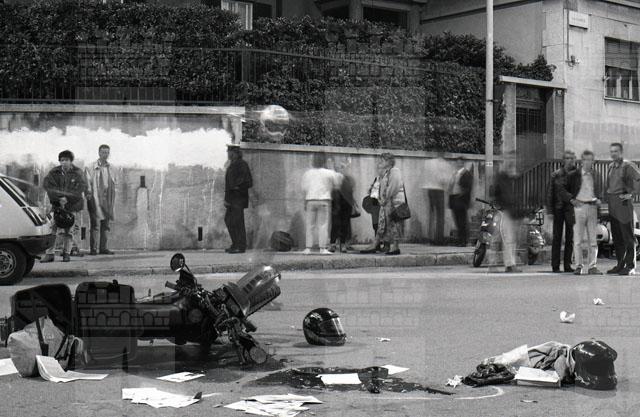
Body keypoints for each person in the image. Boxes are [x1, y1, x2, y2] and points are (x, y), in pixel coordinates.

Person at [41, 150, 87, 263]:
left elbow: (81, 188)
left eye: (66, 160)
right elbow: (47, 186)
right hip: (57, 206)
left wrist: (67, 199)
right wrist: (59, 199)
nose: (64, 162)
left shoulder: (78, 172)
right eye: (62, 160)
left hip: (73, 206)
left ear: (71, 161)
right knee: (52, 229)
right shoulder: (54, 172)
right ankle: (49, 254)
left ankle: (66, 254)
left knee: (69, 231)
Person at [605, 142, 640, 275]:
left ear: (621, 152)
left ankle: (631, 266)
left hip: (623, 203)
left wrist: (632, 194)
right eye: (611, 151)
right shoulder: (610, 166)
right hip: (612, 203)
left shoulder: (628, 166)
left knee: (627, 236)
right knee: (617, 236)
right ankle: (621, 264)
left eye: (616, 151)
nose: (613, 153)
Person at [361, 153, 405, 255]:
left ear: (389, 162)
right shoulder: (385, 173)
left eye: (382, 160)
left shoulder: (394, 171)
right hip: (386, 203)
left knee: (393, 225)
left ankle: (394, 247)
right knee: (383, 225)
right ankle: (377, 244)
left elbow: (393, 187)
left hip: (394, 204)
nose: (379, 162)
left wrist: (384, 199)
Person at [568, 150, 603, 275]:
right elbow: (565, 189)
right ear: (581, 161)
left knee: (593, 240)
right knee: (577, 240)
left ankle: (592, 266)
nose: (587, 162)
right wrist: (571, 200)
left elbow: (601, 189)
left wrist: (600, 199)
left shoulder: (597, 175)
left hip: (592, 207)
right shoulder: (574, 175)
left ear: (593, 161)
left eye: (590, 160)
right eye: (585, 159)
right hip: (579, 207)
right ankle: (578, 266)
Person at [301, 153, 340, 255]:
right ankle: (322, 248)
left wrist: (304, 201)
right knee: (323, 225)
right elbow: (337, 184)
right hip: (324, 200)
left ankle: (308, 248)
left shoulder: (307, 173)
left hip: (310, 199)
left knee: (310, 225)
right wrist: (332, 168)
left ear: (313, 161)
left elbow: (304, 189)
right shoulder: (329, 173)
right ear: (324, 161)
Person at [546, 150, 577, 273]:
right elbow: (550, 193)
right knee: (557, 237)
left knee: (570, 237)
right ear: (564, 160)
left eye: (572, 158)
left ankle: (568, 264)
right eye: (567, 158)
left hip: (571, 208)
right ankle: (555, 265)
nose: (570, 160)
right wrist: (549, 210)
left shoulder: (577, 174)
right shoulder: (556, 174)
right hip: (558, 208)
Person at [492, 157, 523, 273]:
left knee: (509, 239)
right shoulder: (502, 178)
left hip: (511, 211)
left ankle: (507, 263)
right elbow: (499, 194)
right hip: (506, 211)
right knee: (508, 238)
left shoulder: (511, 179)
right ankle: (509, 264)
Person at [85, 144, 116, 255]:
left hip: (107, 198)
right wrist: (89, 195)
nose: (105, 155)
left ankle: (103, 248)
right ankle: (93, 249)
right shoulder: (90, 167)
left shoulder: (111, 168)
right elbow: (87, 183)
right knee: (95, 224)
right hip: (95, 197)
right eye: (103, 152)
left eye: (107, 152)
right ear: (99, 153)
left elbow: (114, 182)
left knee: (106, 224)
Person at [224, 144, 253, 254]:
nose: (228, 154)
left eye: (229, 152)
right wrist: (226, 199)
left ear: (235, 153)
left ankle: (240, 246)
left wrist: (237, 187)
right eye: (228, 152)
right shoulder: (232, 165)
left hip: (238, 198)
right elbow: (228, 184)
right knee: (229, 220)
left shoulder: (242, 164)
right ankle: (235, 244)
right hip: (232, 198)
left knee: (238, 222)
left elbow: (248, 181)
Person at [330, 160, 357, 253]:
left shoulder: (349, 179)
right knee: (335, 224)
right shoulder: (333, 177)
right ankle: (333, 243)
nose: (340, 169)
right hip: (336, 203)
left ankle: (343, 244)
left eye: (342, 167)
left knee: (345, 224)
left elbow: (352, 188)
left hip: (346, 203)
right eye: (338, 167)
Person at [448, 158, 474, 246]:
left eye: (460, 163)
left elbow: (468, 188)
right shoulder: (456, 173)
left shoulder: (466, 174)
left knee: (462, 221)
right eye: (457, 162)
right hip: (454, 199)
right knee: (457, 220)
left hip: (461, 200)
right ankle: (461, 240)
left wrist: (461, 196)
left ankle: (463, 240)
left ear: (463, 163)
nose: (458, 164)